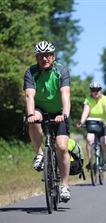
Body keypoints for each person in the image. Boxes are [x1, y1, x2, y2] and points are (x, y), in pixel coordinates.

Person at [23, 41, 72, 202]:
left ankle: (64, 186)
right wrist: (31, 114)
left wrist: (64, 114)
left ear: (53, 56)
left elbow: (65, 94)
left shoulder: (61, 71)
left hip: (59, 112)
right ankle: (39, 154)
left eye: (48, 55)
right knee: (33, 121)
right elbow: (29, 95)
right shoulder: (31, 72)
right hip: (41, 110)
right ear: (37, 57)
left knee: (62, 147)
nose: (45, 59)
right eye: (41, 56)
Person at [76, 82, 106, 172]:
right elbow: (85, 111)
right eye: (93, 90)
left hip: (104, 123)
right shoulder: (88, 99)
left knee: (104, 141)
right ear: (91, 91)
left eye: (97, 90)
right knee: (89, 140)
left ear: (100, 91)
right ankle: (90, 161)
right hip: (92, 123)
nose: (95, 92)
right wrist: (81, 122)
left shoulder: (105, 99)